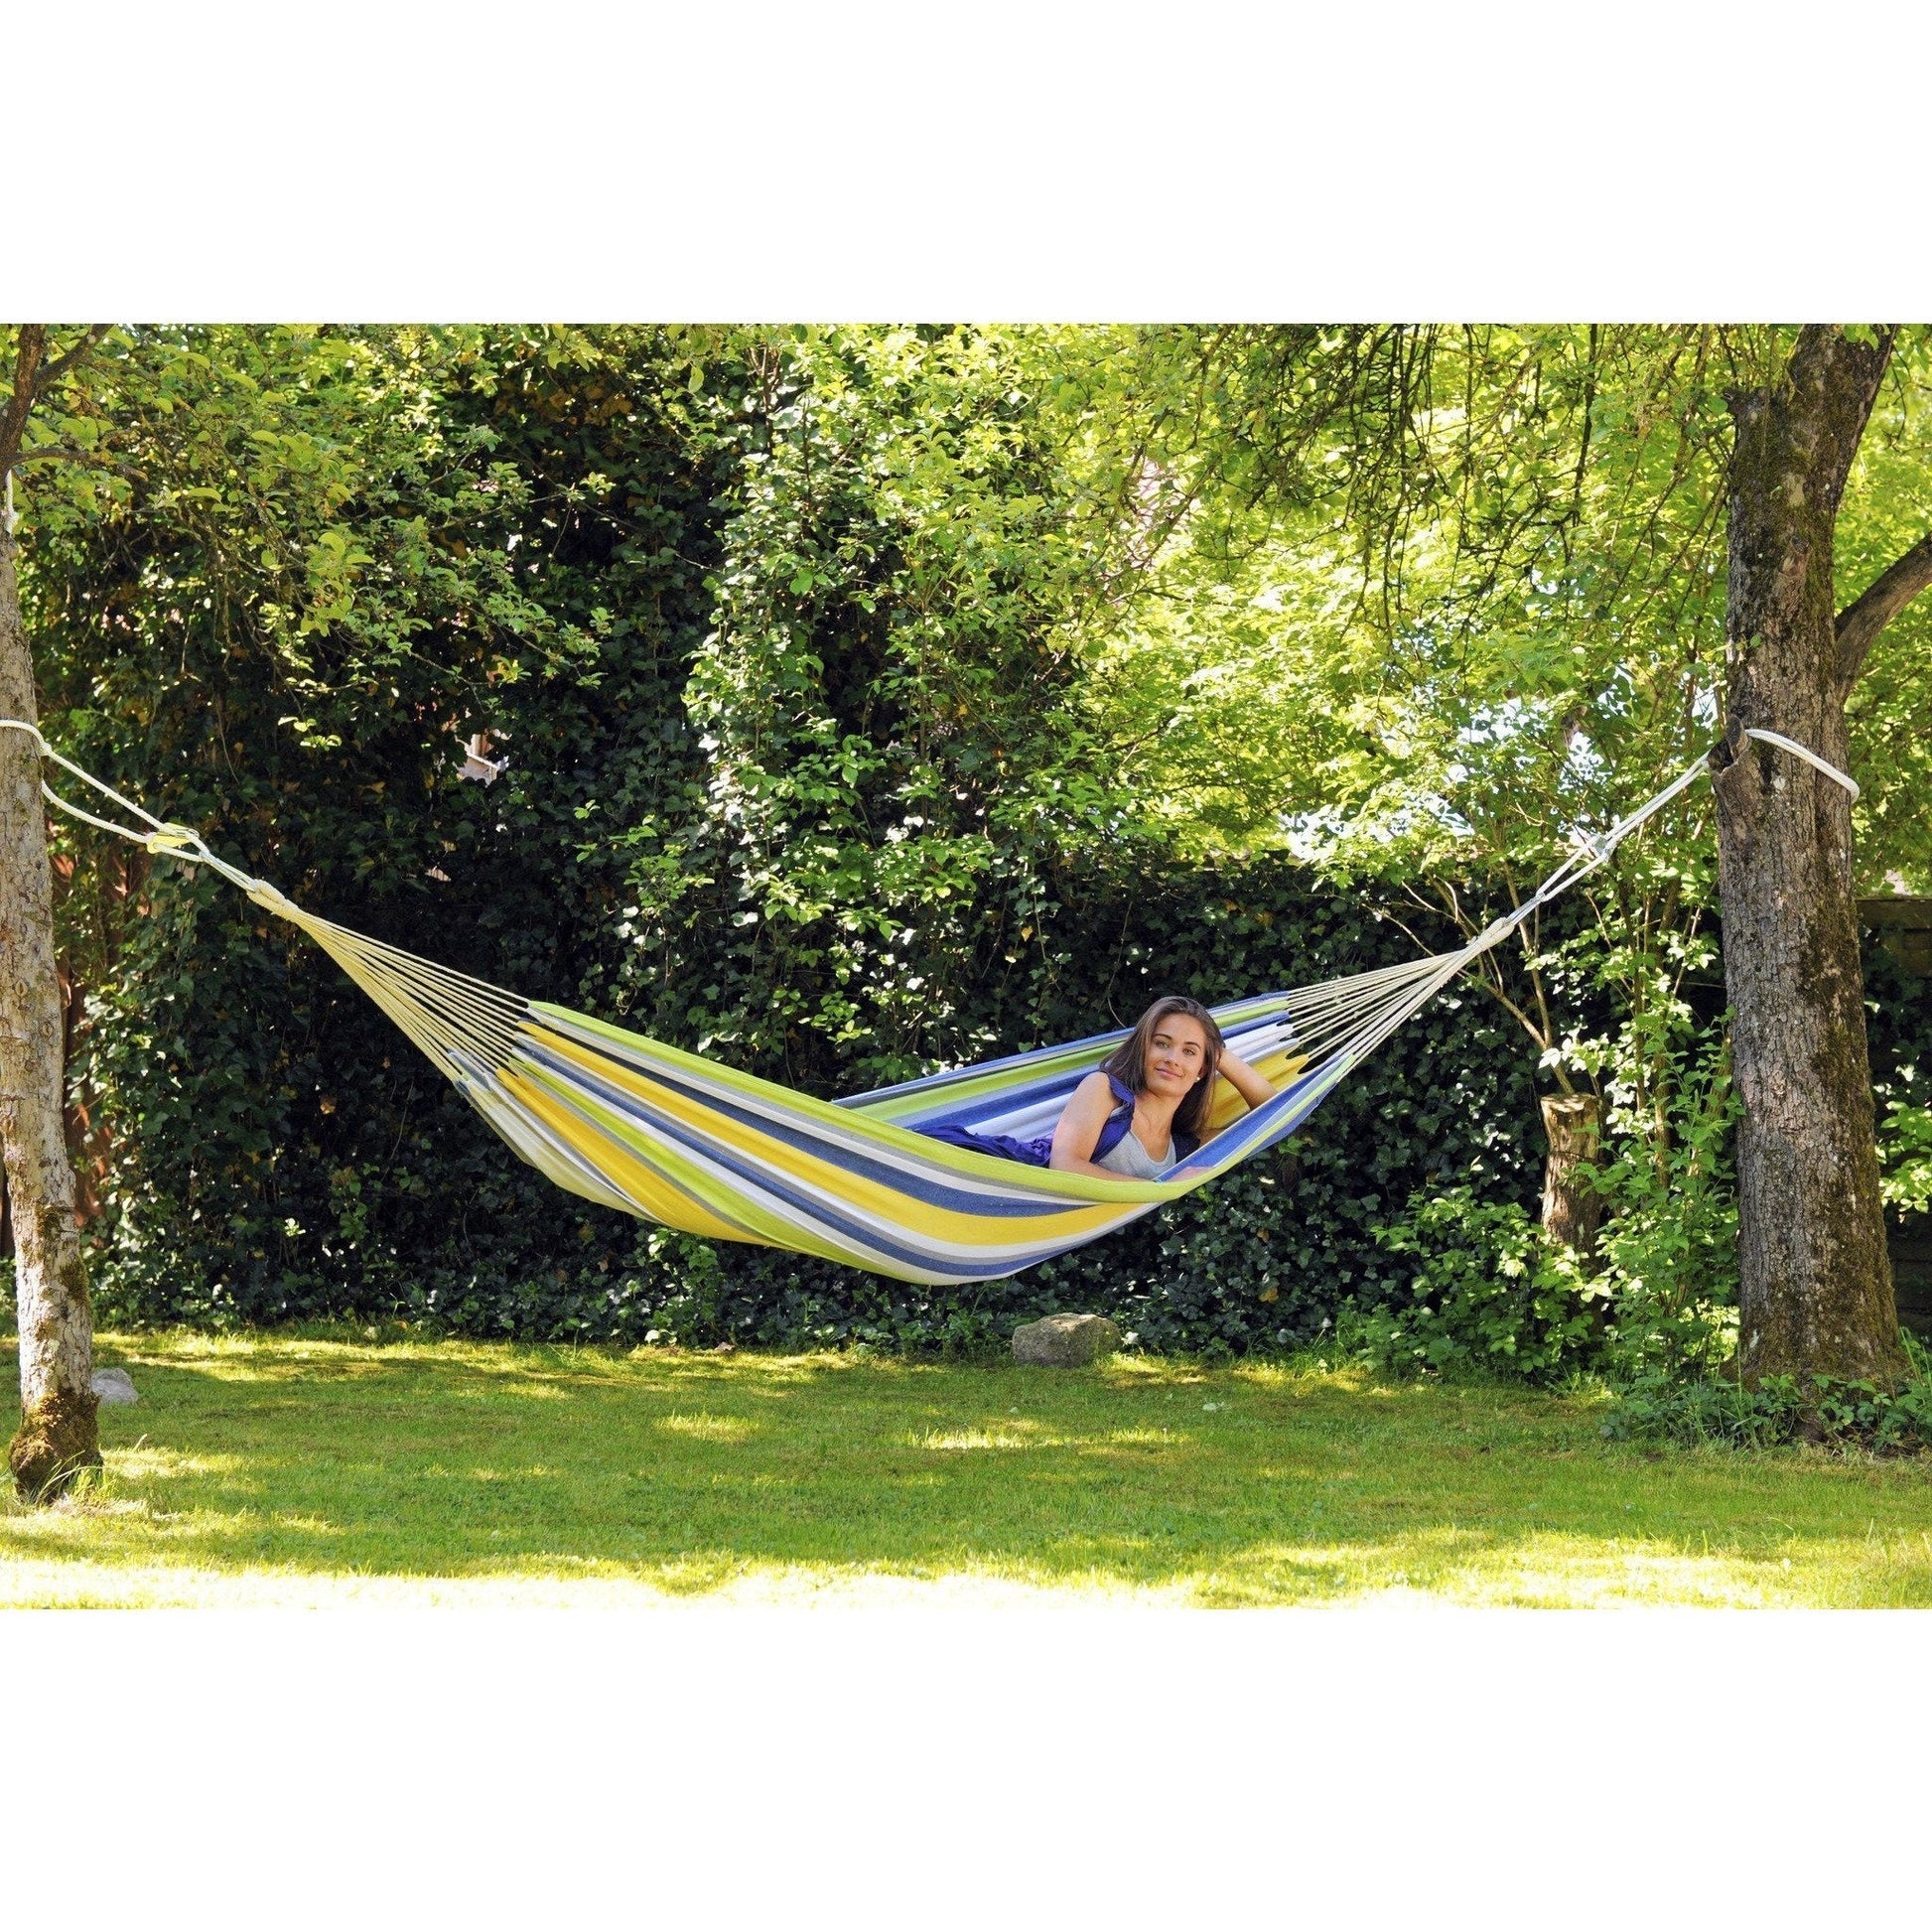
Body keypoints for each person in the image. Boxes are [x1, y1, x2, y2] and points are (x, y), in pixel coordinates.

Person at [922, 995, 1278, 1175]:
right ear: (1143, 1048)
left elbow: (1272, 1115)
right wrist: (1156, 1191)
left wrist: (1220, 1054)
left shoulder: (1186, 1146)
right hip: (980, 1168)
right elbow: (1066, 1165)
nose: (1172, 1058)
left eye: (1189, 1052)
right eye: (1162, 1043)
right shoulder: (1105, 1091)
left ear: (1202, 1069)